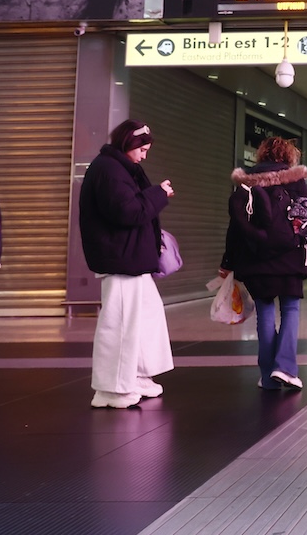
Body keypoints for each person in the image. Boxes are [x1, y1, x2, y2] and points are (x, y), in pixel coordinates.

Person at [78, 120, 175, 409]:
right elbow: (128, 211)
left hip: (129, 258)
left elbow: (130, 208)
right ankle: (112, 389)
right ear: (129, 144)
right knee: (120, 324)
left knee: (146, 317)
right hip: (120, 259)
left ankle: (137, 375)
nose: (144, 155)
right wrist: (159, 194)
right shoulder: (109, 170)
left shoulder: (117, 168)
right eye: (142, 149)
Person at [222, 136, 307, 391]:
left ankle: (267, 374)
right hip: (289, 256)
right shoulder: (295, 179)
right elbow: (304, 219)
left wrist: (227, 260)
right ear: (288, 156)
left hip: (254, 256)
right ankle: (284, 368)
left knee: (264, 312)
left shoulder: (245, 182)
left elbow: (235, 226)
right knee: (290, 309)